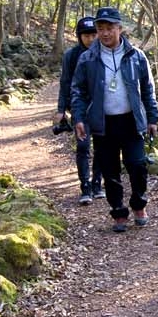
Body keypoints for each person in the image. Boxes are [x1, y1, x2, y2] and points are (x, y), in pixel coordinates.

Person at [71, 6, 158, 232]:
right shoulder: (87, 58)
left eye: (110, 28)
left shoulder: (136, 57)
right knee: (110, 171)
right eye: (101, 28)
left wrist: (152, 118)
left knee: (137, 165)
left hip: (131, 121)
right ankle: (119, 212)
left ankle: (139, 205)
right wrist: (79, 118)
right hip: (103, 123)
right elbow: (78, 91)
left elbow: (148, 89)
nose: (105, 33)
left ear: (120, 29)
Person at [55, 15, 102, 203]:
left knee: (101, 147)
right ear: (79, 36)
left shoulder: (105, 53)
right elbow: (65, 82)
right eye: (86, 36)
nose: (90, 39)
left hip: (101, 107)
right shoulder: (71, 56)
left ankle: (97, 184)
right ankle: (85, 187)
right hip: (78, 107)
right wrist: (60, 109)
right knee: (83, 146)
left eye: (93, 35)